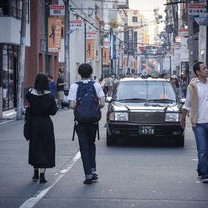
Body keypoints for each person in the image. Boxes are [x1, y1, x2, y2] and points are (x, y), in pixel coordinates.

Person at [68, 63, 105, 185]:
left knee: (84, 147)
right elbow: (103, 103)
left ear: (80, 73)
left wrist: (81, 109)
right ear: (91, 72)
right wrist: (93, 109)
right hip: (93, 121)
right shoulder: (96, 85)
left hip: (81, 122)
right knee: (91, 144)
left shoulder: (74, 86)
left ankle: (88, 175)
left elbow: (72, 105)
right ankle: (94, 171)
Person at [25, 73, 57, 183]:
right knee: (45, 147)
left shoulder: (29, 95)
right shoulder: (49, 96)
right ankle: (42, 175)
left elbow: (28, 111)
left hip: (34, 123)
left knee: (35, 146)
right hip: (46, 123)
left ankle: (35, 174)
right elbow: (53, 112)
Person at [180, 61, 208, 183]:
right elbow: (187, 104)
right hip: (199, 123)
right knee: (202, 149)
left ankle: (201, 169)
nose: (206, 70)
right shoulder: (192, 86)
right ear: (198, 72)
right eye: (204, 68)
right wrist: (183, 119)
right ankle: (204, 173)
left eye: (206, 68)